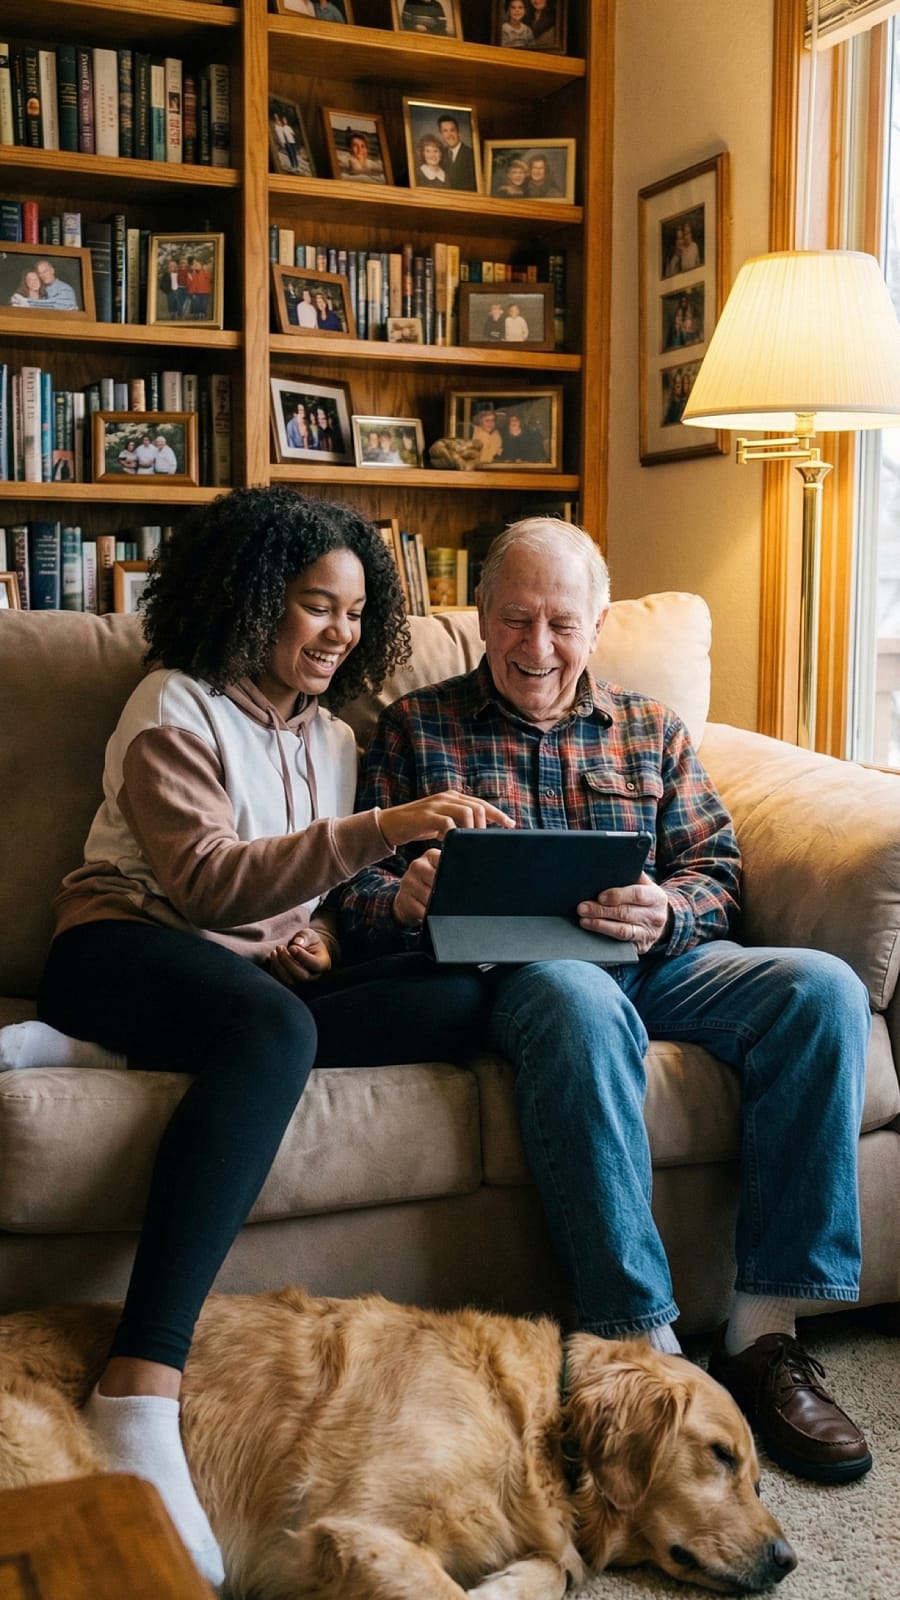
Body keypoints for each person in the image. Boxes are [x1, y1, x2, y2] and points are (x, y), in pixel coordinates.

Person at [337, 515, 874, 1490]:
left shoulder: (653, 727)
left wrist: (668, 907)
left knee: (821, 988)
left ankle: (765, 1332)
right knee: (579, 994)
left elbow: (717, 869)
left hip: (658, 963)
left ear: (596, 624)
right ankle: (641, 1345)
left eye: (561, 623)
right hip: (519, 982)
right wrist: (404, 898)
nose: (537, 647)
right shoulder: (418, 728)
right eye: (515, 619)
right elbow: (352, 895)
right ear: (482, 617)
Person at [35, 488, 512, 1583]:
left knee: (462, 994)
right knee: (265, 1029)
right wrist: (382, 830)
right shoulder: (173, 706)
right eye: (314, 606)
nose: (337, 634)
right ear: (254, 602)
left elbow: (306, 909)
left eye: (353, 614)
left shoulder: (338, 737)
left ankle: (144, 1050)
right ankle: (140, 1381)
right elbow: (205, 882)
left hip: (242, 980)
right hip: (119, 943)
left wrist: (352, 931)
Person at [437, 113, 477, 191]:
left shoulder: (471, 154)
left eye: (452, 130)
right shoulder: (440, 154)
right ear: (441, 134)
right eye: (445, 131)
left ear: (458, 132)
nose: (449, 135)